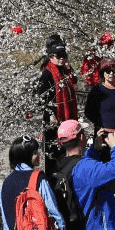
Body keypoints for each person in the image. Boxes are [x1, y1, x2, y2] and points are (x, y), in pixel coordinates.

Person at [84, 58, 115, 201]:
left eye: (114, 71)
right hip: (104, 135)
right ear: (103, 74)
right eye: (108, 71)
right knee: (103, 166)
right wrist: (100, 124)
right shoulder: (97, 91)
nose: (111, 74)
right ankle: (104, 199)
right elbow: (88, 112)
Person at [36, 33, 78, 172]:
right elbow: (40, 98)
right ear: (50, 56)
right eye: (58, 56)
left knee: (68, 155)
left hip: (67, 118)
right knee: (54, 155)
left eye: (63, 55)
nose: (62, 59)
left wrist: (68, 67)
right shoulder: (47, 73)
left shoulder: (66, 71)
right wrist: (51, 113)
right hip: (53, 119)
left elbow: (75, 82)